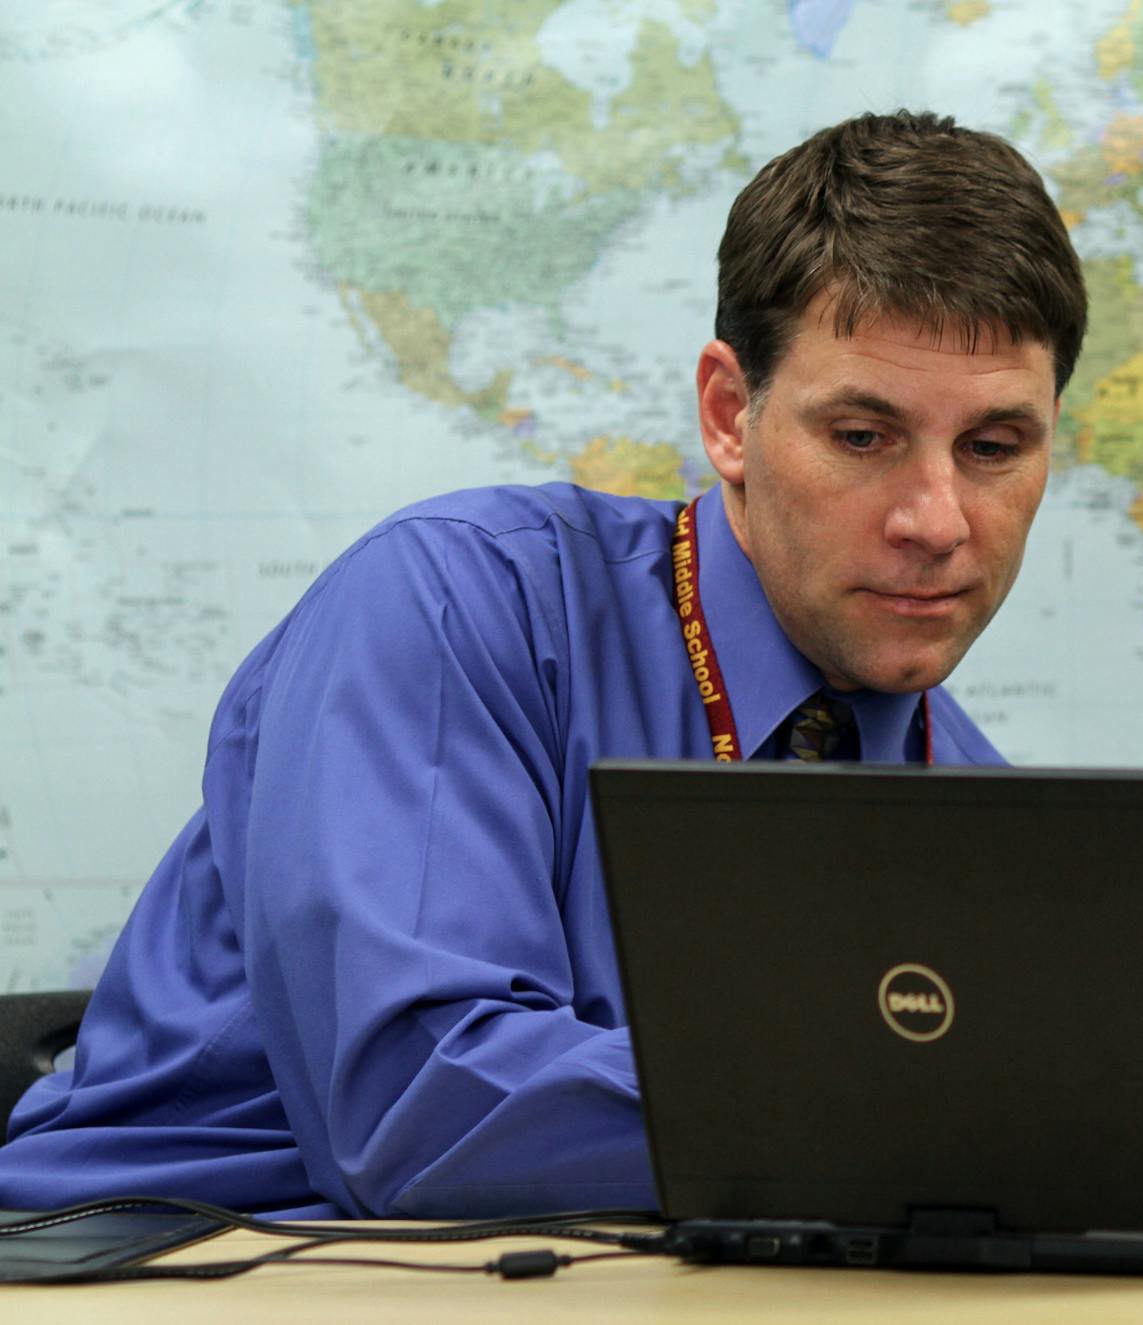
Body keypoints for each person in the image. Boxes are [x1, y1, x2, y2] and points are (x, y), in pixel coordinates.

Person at [0, 111, 1087, 1218]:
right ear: (728, 414)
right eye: (863, 435)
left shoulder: (975, 789)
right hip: (169, 1256)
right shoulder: (454, 605)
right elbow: (420, 1108)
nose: (937, 519)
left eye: (994, 447)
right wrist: (915, 1113)